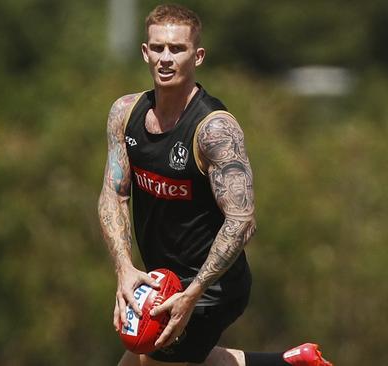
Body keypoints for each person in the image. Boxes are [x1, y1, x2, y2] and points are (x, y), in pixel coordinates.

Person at [98, 4, 333, 366]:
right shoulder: (124, 114)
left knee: (148, 361)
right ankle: (288, 363)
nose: (165, 58)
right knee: (150, 360)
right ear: (145, 52)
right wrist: (124, 270)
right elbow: (114, 195)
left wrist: (193, 294)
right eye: (158, 48)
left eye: (177, 49)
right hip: (163, 284)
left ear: (198, 55)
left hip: (213, 287)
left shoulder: (215, 130)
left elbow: (242, 221)